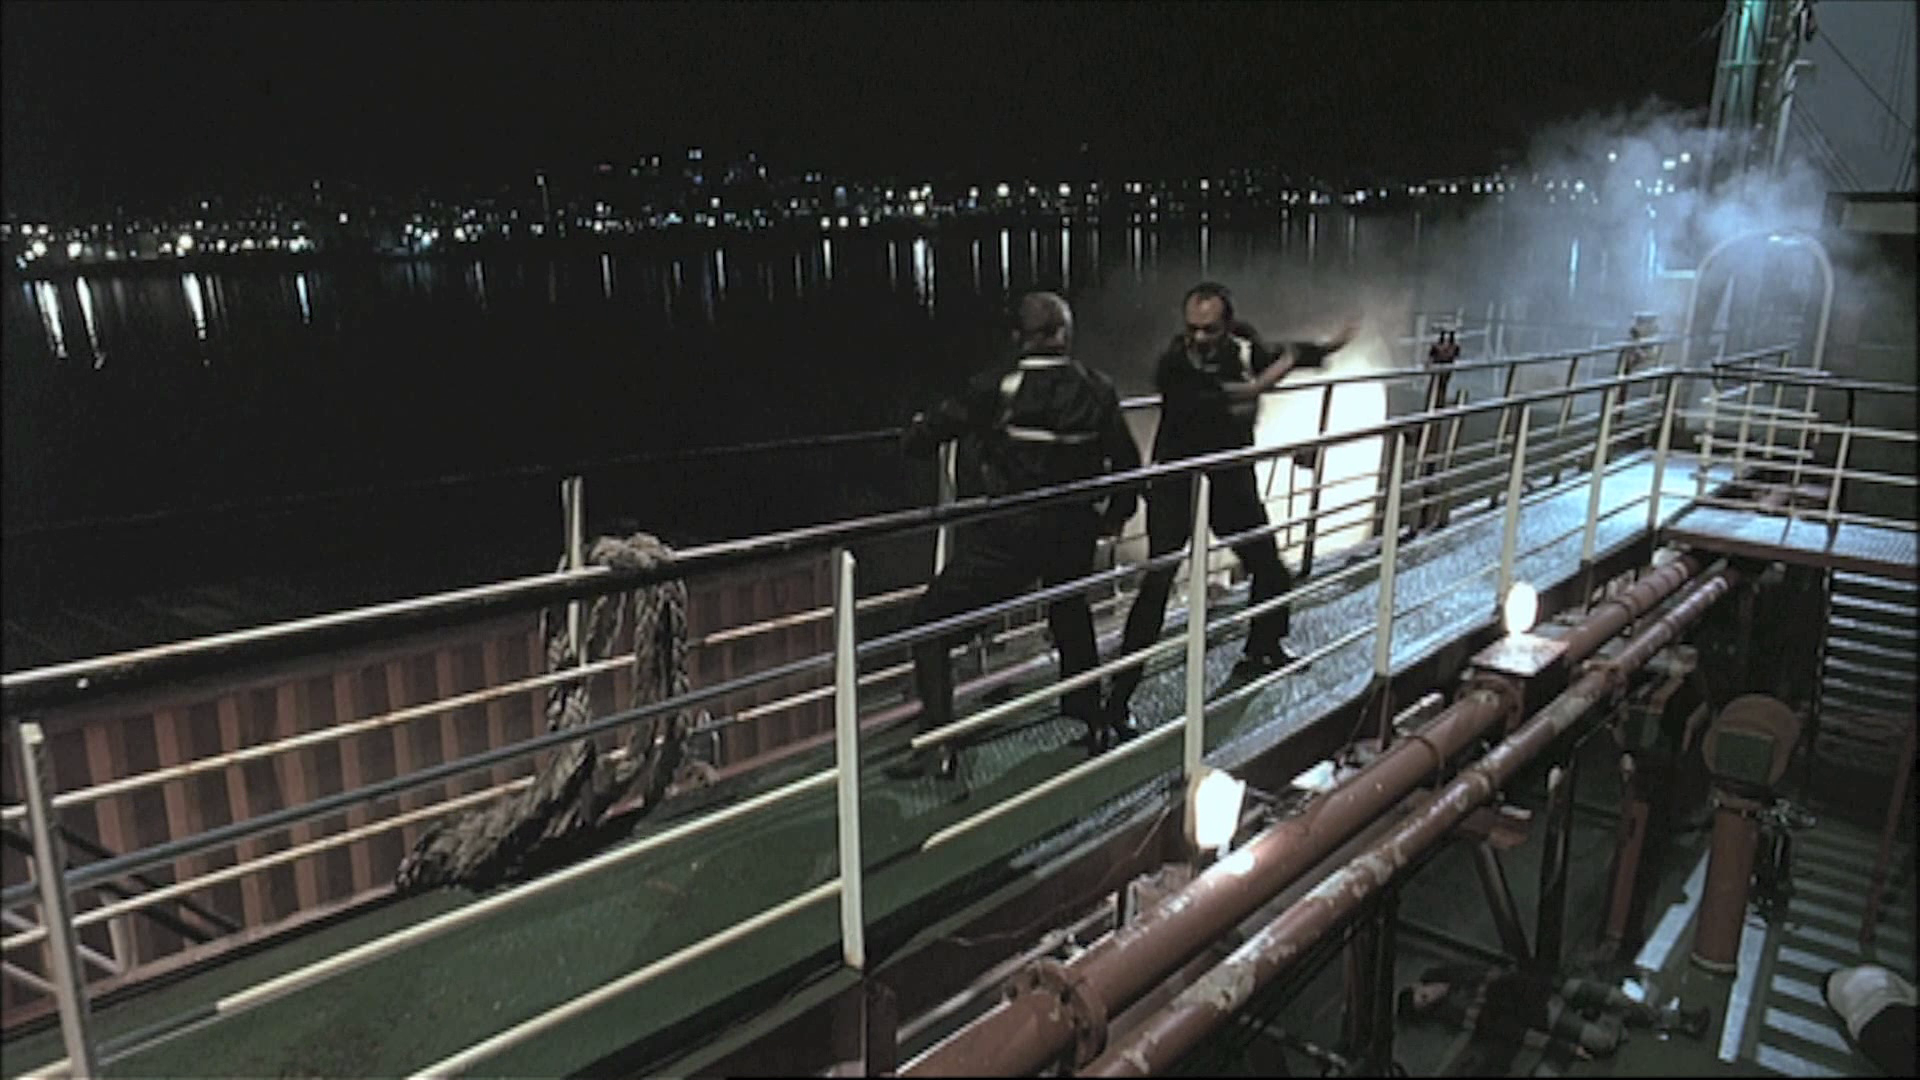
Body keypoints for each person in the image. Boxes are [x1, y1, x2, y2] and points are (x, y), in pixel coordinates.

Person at [894, 291, 1142, 780]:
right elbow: (1128, 465)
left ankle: (938, 744)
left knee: (929, 624)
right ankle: (1091, 717)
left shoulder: (998, 386)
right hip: (1075, 529)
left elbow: (926, 437)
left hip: (1013, 535)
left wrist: (918, 431)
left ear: (1018, 337)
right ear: (1064, 334)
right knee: (1070, 610)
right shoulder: (1098, 388)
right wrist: (1114, 516)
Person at [1100, 282, 1355, 748]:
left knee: (1270, 567)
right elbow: (1242, 392)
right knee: (1156, 586)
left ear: (1228, 325)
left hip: (1230, 482)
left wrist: (1326, 348)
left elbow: (1284, 351)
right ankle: (1117, 701)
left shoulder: (1244, 345)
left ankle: (1264, 646)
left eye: (1210, 329)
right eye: (1192, 329)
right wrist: (1275, 374)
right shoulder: (1173, 365)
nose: (1199, 338)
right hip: (1178, 483)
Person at [1398, 963, 1712, 1059]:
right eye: (1427, 1003)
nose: (1432, 996)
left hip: (1545, 986)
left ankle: (1678, 1020)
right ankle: (1613, 1019)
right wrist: (1565, 1048)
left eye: (1424, 994)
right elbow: (1512, 1031)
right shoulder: (1462, 1011)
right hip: (1540, 1010)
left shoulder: (1452, 973)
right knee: (1602, 1042)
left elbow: (1505, 973)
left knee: (1616, 997)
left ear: (1419, 983)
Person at [1825, 963, 1917, 1076]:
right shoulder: (1872, 970)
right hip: (1894, 1009)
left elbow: (1846, 1032)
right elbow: (1913, 995)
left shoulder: (1832, 993)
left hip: (1867, 1029)